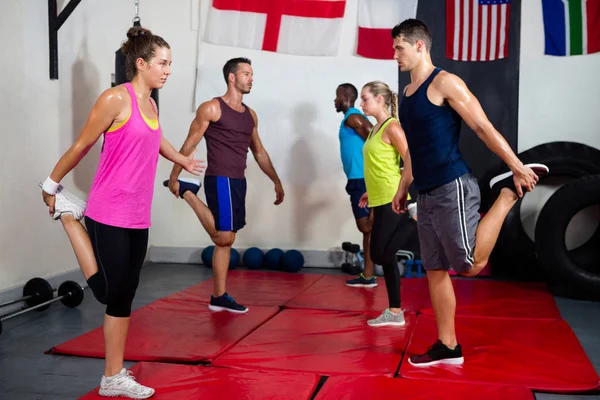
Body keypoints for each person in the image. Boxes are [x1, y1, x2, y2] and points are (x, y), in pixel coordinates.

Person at [40, 27, 204, 398]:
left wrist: (180, 159)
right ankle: (68, 214)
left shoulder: (151, 104)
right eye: (162, 63)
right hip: (109, 208)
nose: (168, 70)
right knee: (108, 293)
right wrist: (51, 184)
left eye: (170, 63)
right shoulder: (115, 98)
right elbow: (83, 144)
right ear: (141, 63)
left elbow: (154, 136)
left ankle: (112, 376)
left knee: (125, 294)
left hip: (137, 213)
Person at [390, 19, 549, 367]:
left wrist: (517, 165)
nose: (395, 54)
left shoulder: (445, 82)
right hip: (427, 193)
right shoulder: (406, 94)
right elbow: (414, 148)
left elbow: (481, 126)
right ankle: (448, 346)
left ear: (419, 46)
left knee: (471, 265)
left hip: (452, 185)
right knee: (434, 268)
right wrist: (404, 186)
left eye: (399, 47)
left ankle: (507, 194)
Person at [167, 57, 284, 314]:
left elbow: (259, 152)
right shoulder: (212, 108)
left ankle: (218, 296)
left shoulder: (250, 115)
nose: (251, 78)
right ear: (232, 77)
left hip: (238, 181)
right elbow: (189, 143)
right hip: (220, 178)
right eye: (246, 73)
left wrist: (275, 180)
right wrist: (175, 177)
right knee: (224, 236)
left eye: (252, 74)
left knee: (226, 243)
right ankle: (189, 192)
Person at [356, 80, 420, 327]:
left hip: (394, 198)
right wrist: (370, 193)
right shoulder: (375, 128)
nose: (361, 104)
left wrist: (402, 191)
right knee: (383, 255)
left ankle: (415, 220)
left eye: (365, 99)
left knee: (381, 254)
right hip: (380, 198)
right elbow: (378, 166)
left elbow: (410, 159)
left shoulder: (392, 127)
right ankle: (395, 312)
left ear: (380, 100)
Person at [334, 83, 377, 288]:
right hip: (356, 180)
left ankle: (380, 208)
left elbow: (377, 140)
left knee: (366, 226)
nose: (335, 100)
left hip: (363, 179)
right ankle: (368, 276)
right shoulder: (348, 120)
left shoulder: (353, 117)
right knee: (366, 230)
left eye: (336, 96)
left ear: (344, 96)